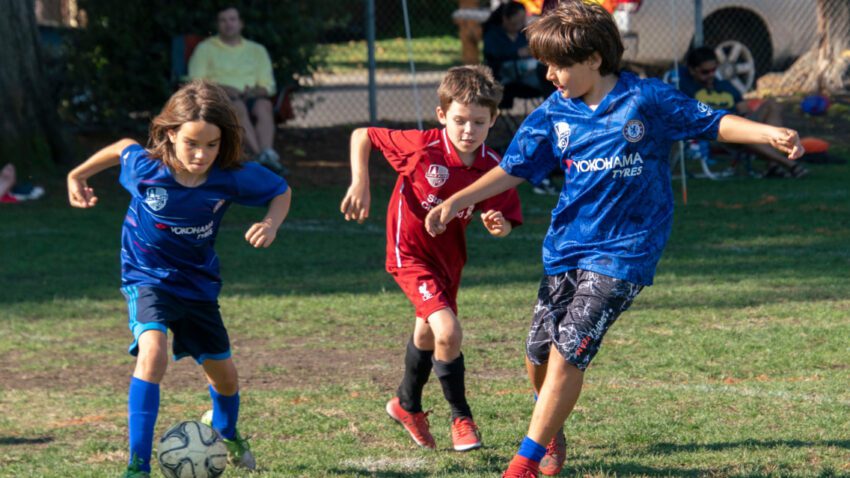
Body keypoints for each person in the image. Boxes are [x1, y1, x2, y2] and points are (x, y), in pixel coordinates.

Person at [424, 3, 803, 477]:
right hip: (566, 247)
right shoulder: (552, 114)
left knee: (569, 349)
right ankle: (550, 427)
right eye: (545, 65)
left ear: (594, 60)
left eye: (558, 65)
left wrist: (767, 131)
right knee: (538, 353)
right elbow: (512, 168)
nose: (549, 75)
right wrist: (459, 199)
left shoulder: (646, 99)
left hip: (626, 251)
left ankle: (522, 461)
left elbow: (712, 121)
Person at [67, 80, 292, 478]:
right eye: (191, 143)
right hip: (146, 277)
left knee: (225, 377)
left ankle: (224, 430)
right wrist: (78, 174)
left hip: (198, 285)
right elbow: (122, 147)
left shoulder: (230, 177)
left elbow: (280, 189)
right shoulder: (147, 170)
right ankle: (138, 465)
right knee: (152, 352)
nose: (202, 154)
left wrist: (271, 224)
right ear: (171, 134)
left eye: (212, 145)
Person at [340, 65, 523, 452]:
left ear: (493, 119)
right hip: (408, 253)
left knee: (427, 333)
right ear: (442, 117)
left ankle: (407, 405)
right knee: (448, 332)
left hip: (449, 260)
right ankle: (462, 416)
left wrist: (497, 224)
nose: (468, 130)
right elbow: (363, 135)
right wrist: (361, 181)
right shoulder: (421, 147)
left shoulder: (493, 165)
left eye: (478, 121)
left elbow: (507, 222)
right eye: (459, 120)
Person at [678, 46, 808, 178]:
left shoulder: (723, 85)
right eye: (705, 72)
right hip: (716, 131)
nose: (711, 75)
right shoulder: (687, 89)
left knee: (772, 105)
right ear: (692, 70)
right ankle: (789, 164)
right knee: (741, 130)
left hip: (737, 122)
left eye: (714, 70)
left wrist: (745, 119)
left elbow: (744, 108)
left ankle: (772, 164)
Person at [188, 6, 285, 174]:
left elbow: (268, 85)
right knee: (237, 107)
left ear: (241, 23)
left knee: (264, 106)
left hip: (252, 96)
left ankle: (266, 153)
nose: (228, 24)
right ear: (217, 25)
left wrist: (255, 92)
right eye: (223, 20)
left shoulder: (257, 50)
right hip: (219, 98)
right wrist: (223, 89)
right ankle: (260, 156)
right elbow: (196, 81)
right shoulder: (205, 49)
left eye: (232, 19)